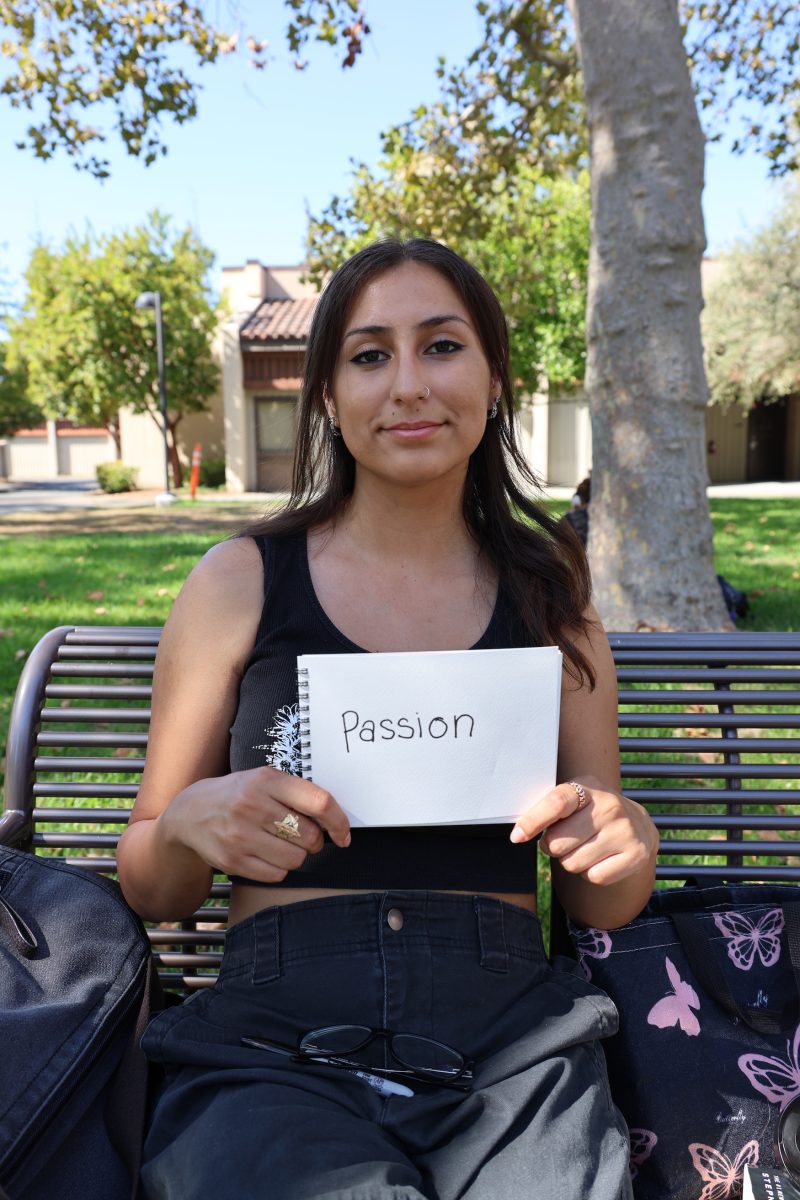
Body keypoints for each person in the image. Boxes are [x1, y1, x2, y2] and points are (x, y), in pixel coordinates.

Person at [117, 238, 659, 1200]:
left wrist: (624, 843)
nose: (408, 384)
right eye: (370, 355)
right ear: (328, 395)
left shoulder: (550, 598)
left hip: (513, 1041)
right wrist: (194, 820)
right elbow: (153, 882)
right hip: (271, 1038)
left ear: (495, 379)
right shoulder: (242, 581)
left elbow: (599, 900)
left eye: (442, 346)